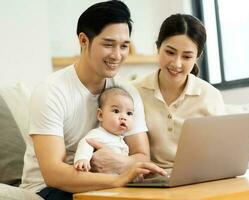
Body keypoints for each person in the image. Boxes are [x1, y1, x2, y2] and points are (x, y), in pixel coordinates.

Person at [20, 1, 166, 200]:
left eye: (124, 46)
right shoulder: (51, 92)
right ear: (83, 40)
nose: (117, 55)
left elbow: (142, 155)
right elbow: (53, 174)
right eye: (108, 44)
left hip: (106, 185)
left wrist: (119, 165)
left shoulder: (126, 93)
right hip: (50, 189)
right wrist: (118, 180)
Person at [133, 14, 225, 169]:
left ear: (197, 57)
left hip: (197, 177)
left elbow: (220, 152)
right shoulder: (133, 91)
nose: (176, 63)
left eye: (187, 57)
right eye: (170, 52)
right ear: (158, 47)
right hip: (151, 179)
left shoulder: (210, 96)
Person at [74, 86, 134, 172]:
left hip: (115, 181)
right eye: (116, 111)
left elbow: (121, 165)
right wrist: (82, 159)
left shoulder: (122, 142)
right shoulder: (98, 134)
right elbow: (86, 143)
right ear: (100, 115)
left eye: (129, 113)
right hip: (99, 180)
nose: (124, 117)